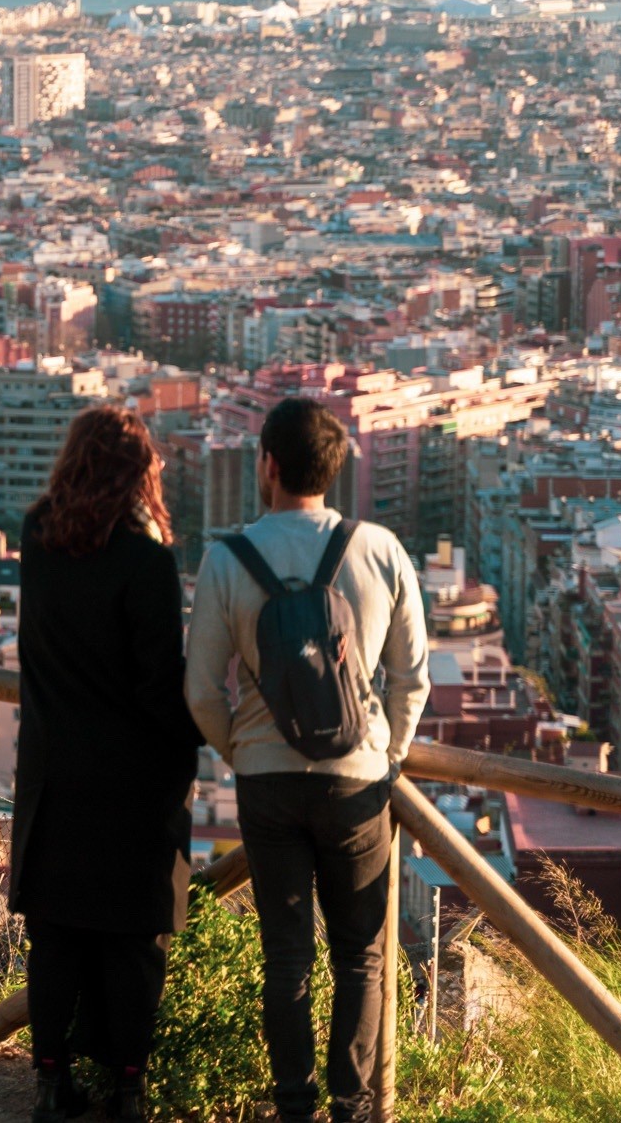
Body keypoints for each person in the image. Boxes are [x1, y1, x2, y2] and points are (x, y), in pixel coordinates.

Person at [183, 397, 430, 1123]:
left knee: (286, 956)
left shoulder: (226, 559)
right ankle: (350, 1109)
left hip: (266, 780)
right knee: (359, 955)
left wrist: (242, 749)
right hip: (357, 780)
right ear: (336, 470)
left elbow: (200, 688)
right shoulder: (381, 549)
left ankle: (294, 1106)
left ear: (267, 464)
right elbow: (412, 677)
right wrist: (391, 755)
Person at [11, 405, 203, 1123]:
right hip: (131, 783)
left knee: (54, 935)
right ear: (137, 474)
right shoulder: (148, 563)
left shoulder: (36, 534)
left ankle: (50, 1082)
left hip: (53, 775)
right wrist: (204, 729)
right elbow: (159, 684)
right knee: (131, 944)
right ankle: (127, 1086)